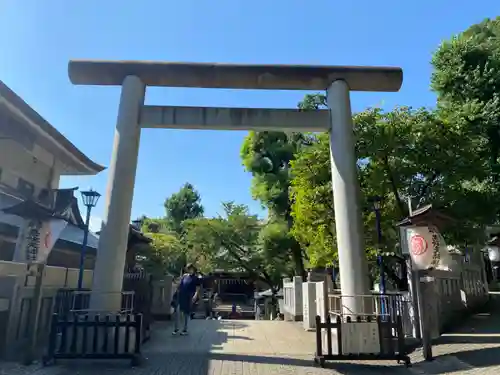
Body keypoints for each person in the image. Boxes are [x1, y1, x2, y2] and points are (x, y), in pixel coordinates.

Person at [172, 263, 201, 336]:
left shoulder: (195, 278)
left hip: (189, 296)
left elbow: (197, 288)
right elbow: (180, 284)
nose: (190, 270)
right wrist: (176, 287)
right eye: (189, 269)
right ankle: (176, 328)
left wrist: (195, 295)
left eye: (191, 269)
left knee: (186, 313)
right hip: (181, 295)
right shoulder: (185, 276)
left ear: (193, 270)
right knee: (177, 311)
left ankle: (185, 329)